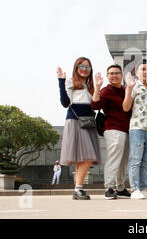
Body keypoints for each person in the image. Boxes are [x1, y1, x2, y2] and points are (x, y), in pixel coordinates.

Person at [57, 57, 102, 200]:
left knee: (83, 158)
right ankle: (78, 188)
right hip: (75, 121)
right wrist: (61, 81)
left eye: (87, 67)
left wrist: (99, 87)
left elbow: (95, 104)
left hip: (88, 122)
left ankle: (78, 189)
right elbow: (65, 103)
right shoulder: (70, 82)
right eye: (81, 66)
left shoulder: (90, 86)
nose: (84, 69)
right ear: (76, 68)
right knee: (88, 157)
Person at [91, 64, 132, 200]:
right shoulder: (106, 90)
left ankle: (120, 187)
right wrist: (97, 88)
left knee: (123, 161)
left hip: (127, 130)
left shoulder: (126, 90)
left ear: (121, 75)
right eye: (111, 73)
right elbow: (95, 105)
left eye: (116, 73)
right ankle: (109, 187)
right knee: (114, 158)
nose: (114, 75)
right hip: (113, 128)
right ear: (107, 76)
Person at [123, 60, 147, 199]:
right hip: (137, 128)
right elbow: (125, 107)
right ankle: (135, 189)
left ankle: (143, 188)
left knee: (146, 161)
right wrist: (129, 89)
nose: (145, 71)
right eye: (142, 69)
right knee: (135, 160)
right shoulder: (134, 86)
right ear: (136, 72)